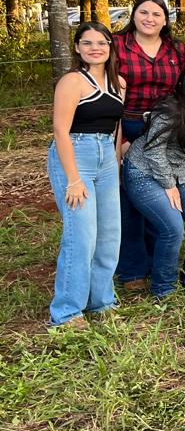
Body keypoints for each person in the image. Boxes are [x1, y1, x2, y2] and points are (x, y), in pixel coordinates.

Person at [121, 58, 185, 297]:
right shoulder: (171, 109)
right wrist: (168, 185)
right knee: (173, 228)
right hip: (144, 171)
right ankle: (163, 288)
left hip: (183, 174)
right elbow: (153, 150)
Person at [47, 22, 126, 329]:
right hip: (75, 154)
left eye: (102, 43)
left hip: (106, 156)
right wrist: (73, 179)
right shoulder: (72, 81)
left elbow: (115, 128)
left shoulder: (118, 82)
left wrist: (116, 164)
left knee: (108, 235)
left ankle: (101, 301)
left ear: (110, 47)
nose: (96, 48)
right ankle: (67, 312)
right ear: (78, 48)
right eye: (88, 43)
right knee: (81, 236)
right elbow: (60, 131)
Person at [114, 0, 185, 285]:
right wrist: (117, 138)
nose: (149, 19)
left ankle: (161, 263)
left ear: (165, 19)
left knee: (159, 196)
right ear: (134, 15)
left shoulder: (177, 49)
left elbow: (183, 90)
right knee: (128, 199)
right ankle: (132, 269)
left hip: (164, 129)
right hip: (127, 124)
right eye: (144, 12)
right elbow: (109, 92)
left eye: (157, 14)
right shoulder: (117, 45)